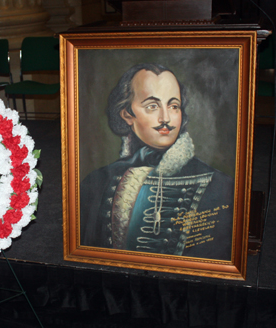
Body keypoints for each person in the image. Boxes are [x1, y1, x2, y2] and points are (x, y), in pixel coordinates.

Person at [80, 63, 234, 261]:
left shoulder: (221, 186)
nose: (166, 118)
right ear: (127, 114)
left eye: (173, 106)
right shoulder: (97, 181)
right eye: (152, 106)